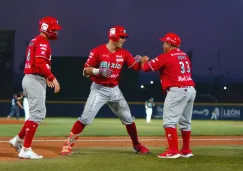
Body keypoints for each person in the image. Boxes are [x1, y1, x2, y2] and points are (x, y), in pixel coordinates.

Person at [61, 25, 150, 156]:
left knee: (128, 119)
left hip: (114, 90)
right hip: (99, 89)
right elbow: (85, 71)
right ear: (114, 37)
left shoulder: (124, 53)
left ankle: (137, 145)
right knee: (85, 119)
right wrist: (98, 71)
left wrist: (142, 61)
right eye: (122, 37)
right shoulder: (97, 51)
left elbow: (136, 67)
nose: (124, 40)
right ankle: (67, 145)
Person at [8, 16, 61, 159]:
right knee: (38, 114)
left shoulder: (34, 41)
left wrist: (45, 76)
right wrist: (52, 78)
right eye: (54, 29)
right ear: (47, 29)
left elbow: (35, 63)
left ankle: (17, 140)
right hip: (34, 80)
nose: (56, 32)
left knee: (36, 114)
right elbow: (40, 64)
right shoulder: (42, 42)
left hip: (31, 78)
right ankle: (25, 149)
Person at [141, 33, 196, 158]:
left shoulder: (166, 56)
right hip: (190, 89)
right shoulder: (184, 55)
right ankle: (186, 150)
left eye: (165, 42)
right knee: (185, 122)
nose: (163, 45)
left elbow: (145, 68)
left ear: (170, 44)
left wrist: (144, 60)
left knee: (169, 121)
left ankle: (172, 150)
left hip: (177, 90)